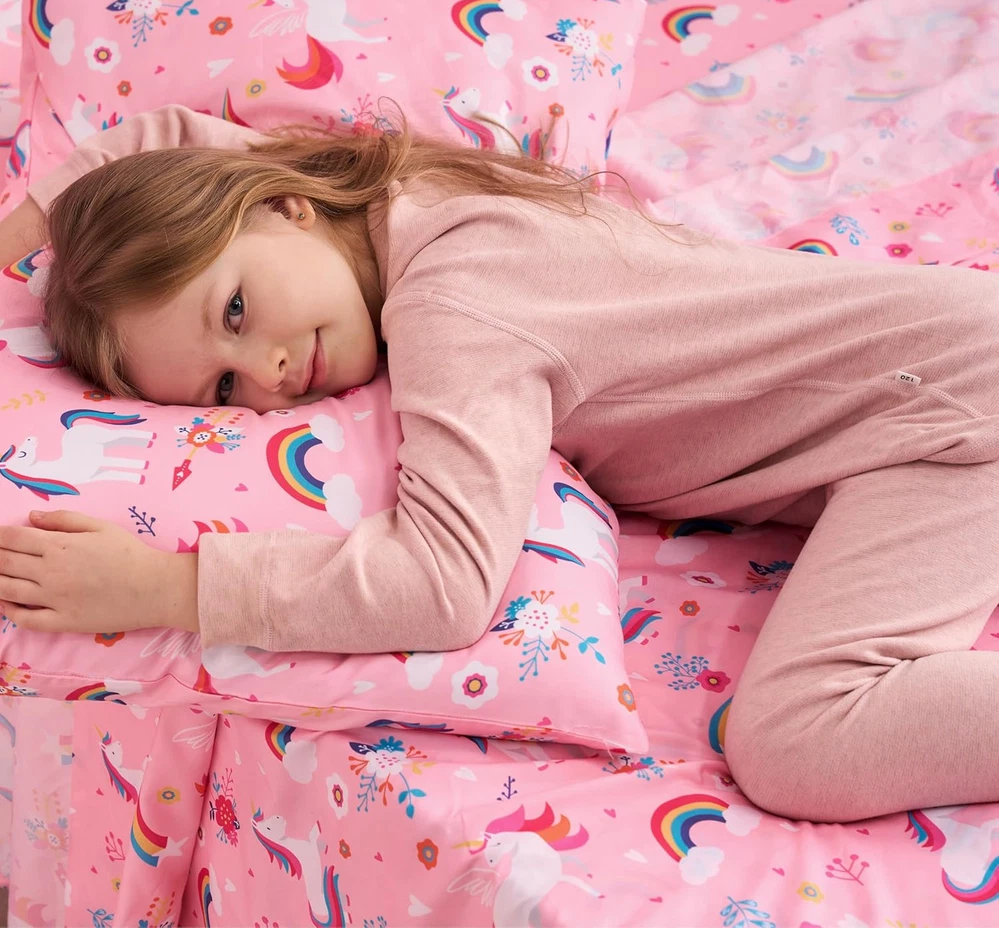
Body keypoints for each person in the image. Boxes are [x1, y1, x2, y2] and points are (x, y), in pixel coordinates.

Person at [1, 104, 999, 823]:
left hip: (943, 416)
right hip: (927, 388)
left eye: (235, 311)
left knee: (798, 744)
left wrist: (165, 586)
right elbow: (172, 135)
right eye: (223, 389)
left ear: (282, 207)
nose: (267, 371)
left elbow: (441, 584)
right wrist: (29, 223)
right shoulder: (391, 192)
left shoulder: (454, 307)